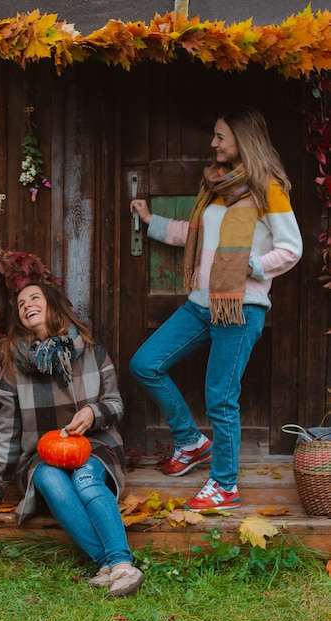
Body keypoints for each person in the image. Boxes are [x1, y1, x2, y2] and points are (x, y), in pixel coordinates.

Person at [129, 105, 302, 512]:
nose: (213, 143)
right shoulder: (216, 185)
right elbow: (194, 234)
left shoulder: (268, 189)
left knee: (221, 399)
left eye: (220, 136)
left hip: (240, 310)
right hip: (200, 306)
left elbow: (292, 249)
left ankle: (224, 485)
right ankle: (190, 441)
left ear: (243, 140)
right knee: (145, 364)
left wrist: (254, 265)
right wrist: (151, 220)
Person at [0, 282, 144, 597]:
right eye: (21, 304)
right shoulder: (14, 371)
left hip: (95, 445)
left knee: (86, 480)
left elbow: (115, 404)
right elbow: (8, 434)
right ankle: (112, 565)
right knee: (49, 479)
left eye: (34, 298)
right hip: (43, 455)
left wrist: (93, 412)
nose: (27, 305)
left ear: (51, 306)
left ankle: (119, 563)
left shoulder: (93, 352)